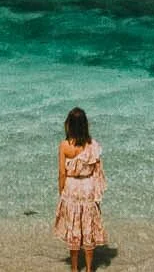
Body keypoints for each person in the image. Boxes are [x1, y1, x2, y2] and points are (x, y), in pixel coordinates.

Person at [53, 106, 106, 269]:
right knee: (88, 228)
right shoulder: (92, 145)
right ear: (85, 125)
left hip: (72, 188)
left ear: (69, 125)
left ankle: (75, 268)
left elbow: (62, 172)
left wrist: (61, 191)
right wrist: (97, 193)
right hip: (88, 188)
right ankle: (90, 269)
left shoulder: (64, 146)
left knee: (74, 229)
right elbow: (98, 171)